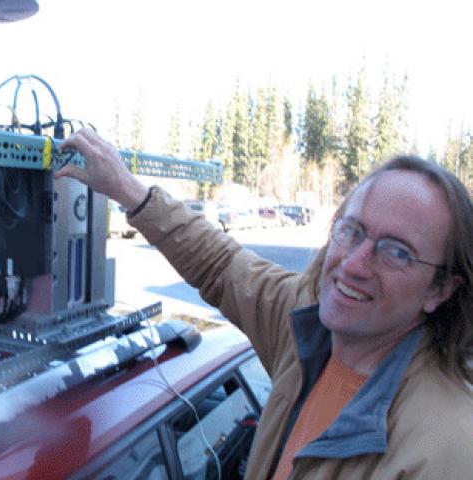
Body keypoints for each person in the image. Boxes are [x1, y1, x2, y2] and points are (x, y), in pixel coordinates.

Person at [57, 129, 473, 479]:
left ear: (441, 290)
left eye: (395, 251)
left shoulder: (445, 447)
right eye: (352, 231)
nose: (353, 264)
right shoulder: (306, 323)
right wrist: (126, 189)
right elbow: (222, 264)